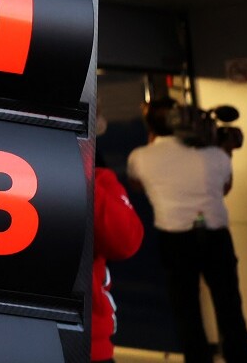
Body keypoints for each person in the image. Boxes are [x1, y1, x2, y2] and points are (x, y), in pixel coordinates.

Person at [127, 99, 247, 363]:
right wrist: (223, 149)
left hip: (175, 241)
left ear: (151, 126)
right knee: (230, 310)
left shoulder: (139, 157)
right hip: (217, 238)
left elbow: (137, 184)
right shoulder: (215, 155)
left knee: (187, 315)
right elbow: (224, 187)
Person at [91, 151, 144, 363]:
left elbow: (125, 241)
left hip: (86, 343)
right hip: (5, 332)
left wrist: (77, 171)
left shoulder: (96, 175)